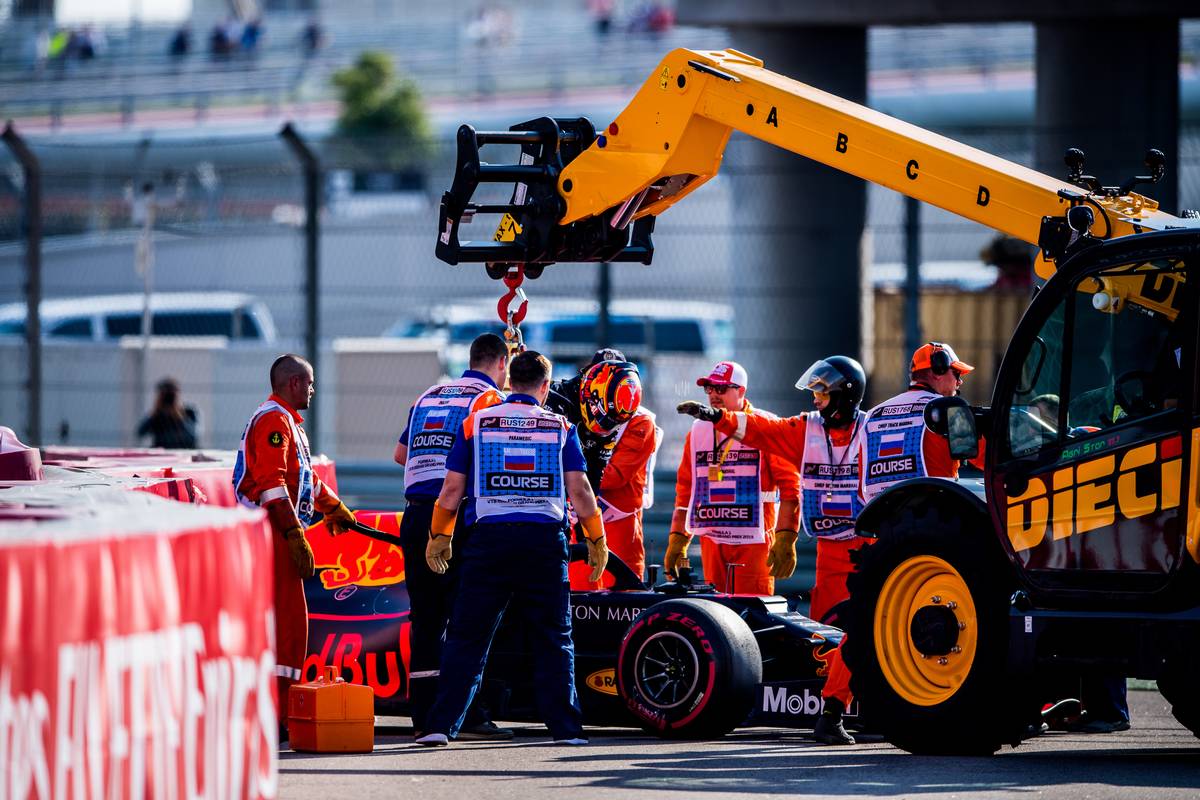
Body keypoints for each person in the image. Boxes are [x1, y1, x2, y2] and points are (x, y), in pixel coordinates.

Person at [415, 351, 608, 747]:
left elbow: (451, 489)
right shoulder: (560, 425)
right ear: (545, 386)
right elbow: (580, 490)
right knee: (554, 637)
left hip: (489, 541)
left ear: (508, 384)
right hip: (543, 543)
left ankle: (440, 726)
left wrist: (440, 534)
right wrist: (596, 538)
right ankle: (566, 731)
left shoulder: (476, 423)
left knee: (467, 636)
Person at [678, 355, 868, 745]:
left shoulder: (874, 430)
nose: (815, 400)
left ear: (843, 396)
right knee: (826, 639)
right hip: (830, 551)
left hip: (870, 547)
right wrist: (720, 420)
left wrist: (783, 535)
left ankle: (842, 707)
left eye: (821, 393)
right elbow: (766, 430)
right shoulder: (805, 428)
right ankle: (833, 711)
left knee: (862, 631)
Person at [232, 354, 358, 742]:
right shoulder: (274, 421)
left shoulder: (287, 423)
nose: (313, 390)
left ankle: (278, 710)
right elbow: (272, 484)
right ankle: (277, 712)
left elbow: (305, 481)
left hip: (277, 530)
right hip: (271, 532)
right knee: (288, 625)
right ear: (293, 384)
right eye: (310, 383)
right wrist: (293, 533)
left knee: (292, 625)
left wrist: (334, 507)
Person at [394, 333, 512, 741]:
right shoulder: (489, 400)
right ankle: (470, 713)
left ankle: (423, 714)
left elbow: (400, 454)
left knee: (425, 619)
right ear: (502, 363)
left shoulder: (429, 393)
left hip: (414, 514)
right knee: (467, 617)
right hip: (456, 517)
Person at [666, 361, 800, 596]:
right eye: (709, 388)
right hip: (713, 539)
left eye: (721, 388)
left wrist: (786, 536)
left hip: (754, 540)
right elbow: (686, 490)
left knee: (752, 613)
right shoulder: (698, 430)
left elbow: (791, 487)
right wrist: (678, 539)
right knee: (716, 612)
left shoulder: (766, 425)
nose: (713, 395)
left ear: (741, 391)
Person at [547, 351, 662, 587]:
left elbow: (616, 476)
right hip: (580, 511)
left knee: (626, 595)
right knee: (579, 590)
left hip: (619, 517)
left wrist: (572, 474)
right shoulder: (572, 404)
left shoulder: (641, 419)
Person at [859, 342, 979, 500]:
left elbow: (862, 488)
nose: (959, 382)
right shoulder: (949, 411)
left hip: (881, 521)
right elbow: (988, 458)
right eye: (956, 374)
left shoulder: (871, 416)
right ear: (938, 370)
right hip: (937, 517)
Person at [138, 377, 199, 449]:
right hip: (162, 452)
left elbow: (193, 436)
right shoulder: (157, 415)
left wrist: (180, 417)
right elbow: (140, 433)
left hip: (184, 451)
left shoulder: (189, 412)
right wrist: (154, 413)